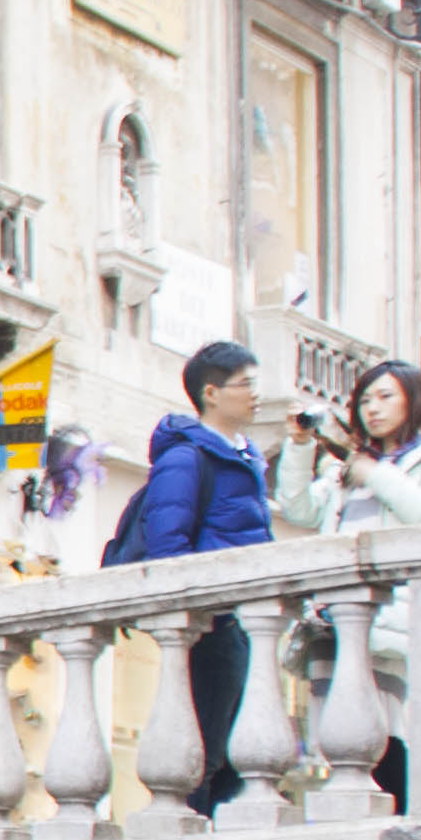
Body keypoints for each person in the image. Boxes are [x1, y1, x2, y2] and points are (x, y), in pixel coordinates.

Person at [272, 357, 421, 810]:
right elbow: (297, 510)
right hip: (330, 617)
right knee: (339, 730)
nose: (373, 408)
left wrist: (377, 475)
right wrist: (297, 445)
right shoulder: (343, 468)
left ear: (414, 400)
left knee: (385, 727)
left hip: (390, 615)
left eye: (385, 396)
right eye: (365, 399)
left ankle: (399, 821)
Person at [117, 340, 276, 815]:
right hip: (210, 625)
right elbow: (169, 545)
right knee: (205, 745)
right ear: (211, 392)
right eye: (246, 384)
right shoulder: (186, 458)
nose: (256, 395)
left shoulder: (246, 458)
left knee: (236, 746)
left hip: (244, 621)